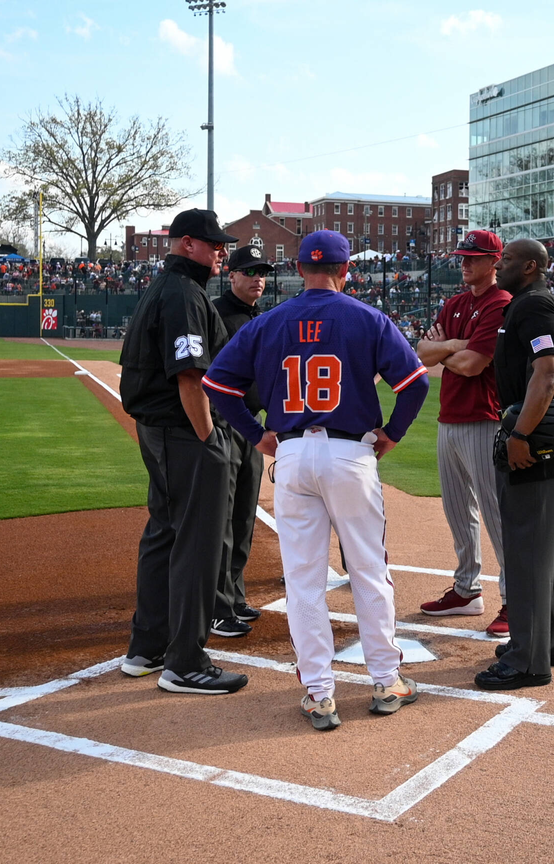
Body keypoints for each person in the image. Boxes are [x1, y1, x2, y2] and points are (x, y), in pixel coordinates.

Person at [204, 230, 429, 731]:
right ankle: (387, 680)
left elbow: (217, 383)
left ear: (299, 269)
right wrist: (391, 433)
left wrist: (257, 435)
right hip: (351, 454)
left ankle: (320, 693)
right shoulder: (368, 318)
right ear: (346, 270)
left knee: (303, 580)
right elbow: (416, 383)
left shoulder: (269, 321)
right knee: (369, 570)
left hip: (293, 453)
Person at [117, 208, 248, 696]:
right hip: (182, 432)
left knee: (165, 534)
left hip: (159, 431)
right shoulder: (183, 294)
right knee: (197, 543)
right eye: (213, 244)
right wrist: (209, 437)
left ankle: (146, 648)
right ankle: (186, 663)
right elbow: (189, 375)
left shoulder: (165, 287)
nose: (221, 252)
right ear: (186, 243)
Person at [475, 238, 554, 691]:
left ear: (531, 266)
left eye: (510, 260)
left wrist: (524, 431)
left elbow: (553, 370)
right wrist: (550, 410)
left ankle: (527, 661)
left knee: (524, 550)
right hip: (539, 423)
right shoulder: (534, 303)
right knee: (542, 548)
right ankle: (548, 643)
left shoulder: (534, 305)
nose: (501, 265)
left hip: (529, 431)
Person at [415, 230, 511, 638]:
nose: (465, 263)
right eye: (463, 256)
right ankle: (466, 590)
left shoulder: (501, 303)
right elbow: (422, 352)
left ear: (495, 262)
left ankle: (514, 598)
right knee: (457, 511)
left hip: (484, 417)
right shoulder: (455, 303)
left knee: (495, 512)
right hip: (449, 417)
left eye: (474, 257)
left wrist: (448, 351)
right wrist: (457, 344)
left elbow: (473, 365)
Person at [207, 245, 273, 639]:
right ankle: (217, 606)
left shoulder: (261, 318)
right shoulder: (216, 313)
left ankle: (235, 595)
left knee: (244, 514)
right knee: (223, 517)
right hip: (225, 424)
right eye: (249, 271)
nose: (257, 278)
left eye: (262, 272)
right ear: (231, 275)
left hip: (254, 427)